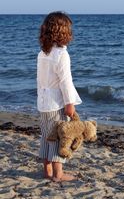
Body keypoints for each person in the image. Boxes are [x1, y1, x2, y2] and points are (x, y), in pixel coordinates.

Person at [37, 11, 82, 181]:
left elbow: (41, 80)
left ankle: (47, 171)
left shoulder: (43, 53)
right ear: (64, 33)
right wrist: (69, 102)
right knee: (57, 138)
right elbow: (65, 81)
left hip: (43, 103)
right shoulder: (61, 54)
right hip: (56, 103)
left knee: (46, 136)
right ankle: (58, 174)